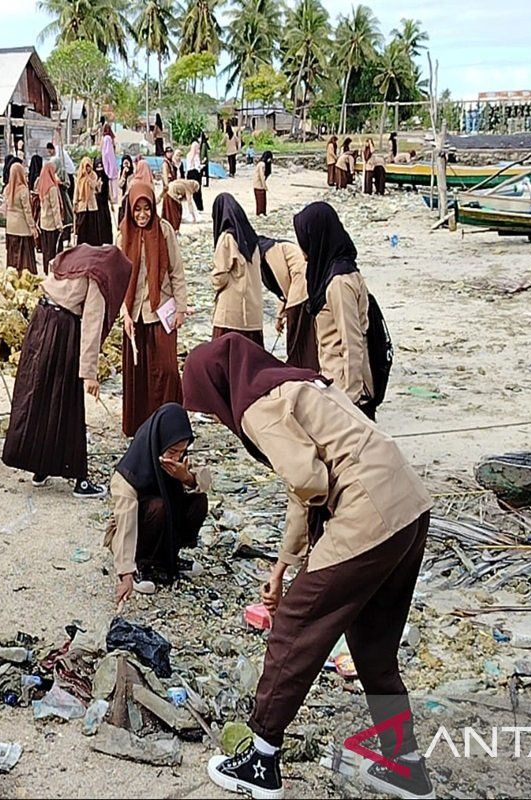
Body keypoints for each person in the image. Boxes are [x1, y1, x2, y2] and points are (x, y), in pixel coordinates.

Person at [183, 335, 435, 800]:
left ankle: (260, 756)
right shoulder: (297, 384)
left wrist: (302, 568)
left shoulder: (257, 407)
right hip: (409, 508)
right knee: (374, 650)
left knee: (294, 629)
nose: (217, 416)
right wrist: (284, 566)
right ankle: (406, 767)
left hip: (368, 513)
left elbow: (306, 479)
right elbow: (308, 485)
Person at [3, 244, 132, 498]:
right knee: (68, 405)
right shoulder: (99, 276)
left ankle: (40, 467)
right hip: (61, 331)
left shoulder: (77, 260)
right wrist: (90, 374)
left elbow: (52, 266)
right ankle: (79, 479)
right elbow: (92, 325)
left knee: (38, 396)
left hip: (40, 322)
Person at [107, 403, 210, 599]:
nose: (177, 457)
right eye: (172, 452)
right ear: (159, 442)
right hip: (136, 532)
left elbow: (206, 482)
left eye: (182, 451)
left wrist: (186, 477)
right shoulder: (128, 474)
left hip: (164, 527)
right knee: (158, 506)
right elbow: (126, 523)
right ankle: (142, 564)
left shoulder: (180, 458)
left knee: (198, 499)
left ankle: (168, 558)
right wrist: (126, 573)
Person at [118, 182, 187, 437]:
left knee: (167, 369)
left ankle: (169, 424)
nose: (143, 215)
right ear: (130, 211)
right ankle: (142, 427)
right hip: (133, 313)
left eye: (147, 209)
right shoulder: (123, 235)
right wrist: (123, 313)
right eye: (137, 210)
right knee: (139, 372)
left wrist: (181, 308)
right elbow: (118, 278)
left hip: (161, 310)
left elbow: (176, 272)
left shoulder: (165, 231)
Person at [295, 202, 375, 416]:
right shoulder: (330, 272)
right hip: (333, 378)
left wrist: (351, 399)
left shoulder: (339, 282)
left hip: (346, 388)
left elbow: (352, 341)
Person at [210, 193, 264, 345]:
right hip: (252, 313)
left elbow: (219, 276)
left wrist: (214, 283)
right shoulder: (252, 240)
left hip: (231, 314)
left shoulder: (227, 238)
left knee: (226, 360)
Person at [258, 236, 318, 371]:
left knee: (298, 335)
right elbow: (282, 291)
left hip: (302, 286)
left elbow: (284, 281)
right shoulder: (266, 255)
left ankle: (301, 370)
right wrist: (280, 316)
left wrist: (287, 310)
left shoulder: (271, 251)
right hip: (299, 288)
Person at [3, 161, 38, 274]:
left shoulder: (7, 189)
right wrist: (33, 227)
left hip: (10, 227)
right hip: (22, 227)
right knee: (24, 256)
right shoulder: (23, 190)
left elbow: (4, 208)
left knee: (13, 254)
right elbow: (27, 211)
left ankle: (13, 275)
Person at [34, 162, 68, 274]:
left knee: (46, 250)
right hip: (52, 224)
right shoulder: (52, 188)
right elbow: (55, 208)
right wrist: (59, 225)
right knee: (54, 250)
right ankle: (54, 271)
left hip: (44, 222)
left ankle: (46, 270)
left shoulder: (41, 185)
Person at [74, 156, 109, 247]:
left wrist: (88, 179)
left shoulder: (94, 175)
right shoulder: (79, 178)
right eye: (86, 166)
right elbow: (76, 192)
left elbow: (95, 187)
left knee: (92, 227)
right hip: (82, 206)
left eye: (89, 166)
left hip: (92, 206)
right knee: (82, 227)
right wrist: (75, 203)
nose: (87, 168)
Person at [184, 140, 205, 214]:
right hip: (193, 173)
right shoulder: (190, 155)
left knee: (198, 191)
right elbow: (191, 165)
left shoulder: (196, 156)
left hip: (196, 173)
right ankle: (194, 207)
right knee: (194, 191)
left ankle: (199, 207)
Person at [101, 123, 119, 204]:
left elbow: (107, 152)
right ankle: (113, 197)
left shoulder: (106, 138)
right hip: (111, 161)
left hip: (108, 161)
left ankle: (113, 197)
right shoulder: (109, 138)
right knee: (113, 180)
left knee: (111, 180)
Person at [252, 150, 272, 216]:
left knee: (263, 201)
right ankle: (260, 213)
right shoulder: (262, 164)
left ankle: (263, 212)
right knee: (260, 201)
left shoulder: (262, 164)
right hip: (258, 186)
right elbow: (261, 176)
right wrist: (264, 186)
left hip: (259, 185)